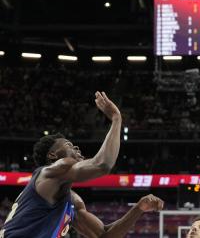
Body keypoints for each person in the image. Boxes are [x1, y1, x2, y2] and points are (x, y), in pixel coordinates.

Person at [0, 91, 164, 238]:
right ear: (52, 155)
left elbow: (104, 235)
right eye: (69, 145)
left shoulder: (72, 201)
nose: (76, 147)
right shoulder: (51, 172)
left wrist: (139, 208)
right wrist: (116, 118)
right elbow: (102, 165)